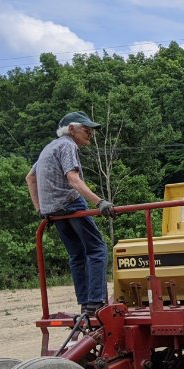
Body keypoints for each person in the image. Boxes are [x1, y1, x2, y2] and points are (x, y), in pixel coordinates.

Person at [26, 111, 115, 319]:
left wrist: (40, 208)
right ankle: (95, 303)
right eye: (86, 130)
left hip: (52, 211)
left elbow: (30, 178)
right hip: (70, 204)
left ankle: (85, 304)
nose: (90, 135)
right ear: (72, 129)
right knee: (97, 249)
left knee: (76, 254)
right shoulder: (67, 145)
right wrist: (99, 202)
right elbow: (73, 179)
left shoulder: (48, 148)